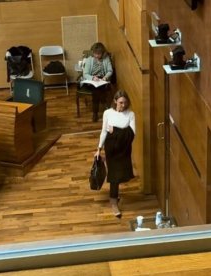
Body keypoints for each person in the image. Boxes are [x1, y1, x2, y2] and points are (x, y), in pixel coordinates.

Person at [95, 90, 135, 218]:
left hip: (124, 149)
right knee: (114, 176)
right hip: (111, 148)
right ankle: (113, 201)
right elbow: (104, 132)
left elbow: (132, 134)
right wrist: (99, 149)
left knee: (120, 174)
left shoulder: (131, 114)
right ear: (115, 101)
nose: (123, 105)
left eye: (125, 103)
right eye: (120, 103)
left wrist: (115, 131)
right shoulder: (108, 113)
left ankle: (114, 197)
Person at [82, 42, 113, 122]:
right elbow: (85, 73)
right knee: (97, 90)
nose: (96, 55)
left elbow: (110, 71)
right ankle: (103, 106)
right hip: (91, 80)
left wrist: (105, 77)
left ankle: (95, 113)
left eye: (99, 54)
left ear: (102, 53)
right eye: (95, 53)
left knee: (97, 90)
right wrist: (92, 78)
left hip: (102, 80)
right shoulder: (89, 60)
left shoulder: (106, 59)